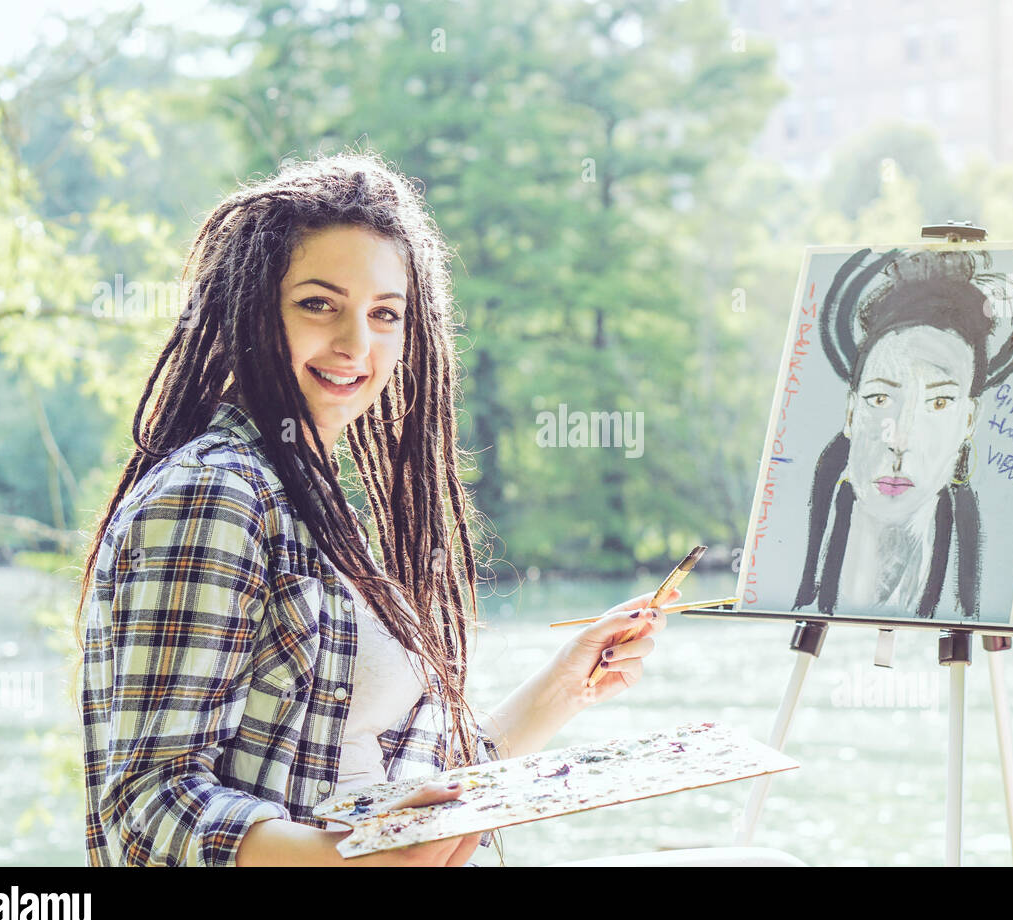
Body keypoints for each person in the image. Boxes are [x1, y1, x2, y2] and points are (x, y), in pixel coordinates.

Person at [74, 151, 679, 867]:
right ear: (252, 311)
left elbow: (416, 789)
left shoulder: (315, 500)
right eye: (318, 304)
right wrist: (350, 860)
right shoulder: (215, 493)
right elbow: (148, 801)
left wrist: (565, 684)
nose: (356, 344)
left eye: (383, 313)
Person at [793, 245, 1013, 619]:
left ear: (969, 420)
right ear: (851, 411)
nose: (899, 440)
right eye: (880, 398)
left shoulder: (967, 597)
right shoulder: (790, 574)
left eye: (938, 404)